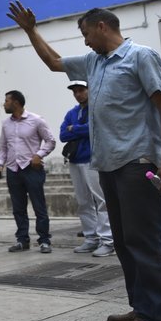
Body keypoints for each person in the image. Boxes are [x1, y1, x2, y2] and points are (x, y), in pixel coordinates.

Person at [7, 1, 161, 321]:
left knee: (145, 241)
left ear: (102, 27)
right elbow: (55, 62)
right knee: (125, 242)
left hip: (137, 163)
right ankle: (142, 310)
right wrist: (30, 30)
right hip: (108, 166)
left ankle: (157, 319)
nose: (85, 42)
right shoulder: (94, 62)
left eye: (86, 34)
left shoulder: (140, 56)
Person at [0, 90, 56, 254]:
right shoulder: (6, 123)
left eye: (7, 101)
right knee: (18, 207)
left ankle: (44, 240)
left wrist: (39, 155)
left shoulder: (36, 120)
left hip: (32, 169)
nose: (4, 104)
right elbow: (3, 146)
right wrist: (1, 163)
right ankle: (22, 240)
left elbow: (50, 141)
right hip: (13, 169)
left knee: (39, 206)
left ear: (16, 102)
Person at [60, 80, 114, 257]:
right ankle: (91, 239)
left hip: (94, 159)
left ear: (90, 89)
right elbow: (62, 135)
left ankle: (108, 241)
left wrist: (74, 128)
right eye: (75, 91)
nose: (77, 94)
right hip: (76, 161)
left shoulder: (97, 108)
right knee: (83, 202)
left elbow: (97, 128)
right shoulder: (72, 112)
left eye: (81, 90)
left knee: (102, 200)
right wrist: (82, 129)